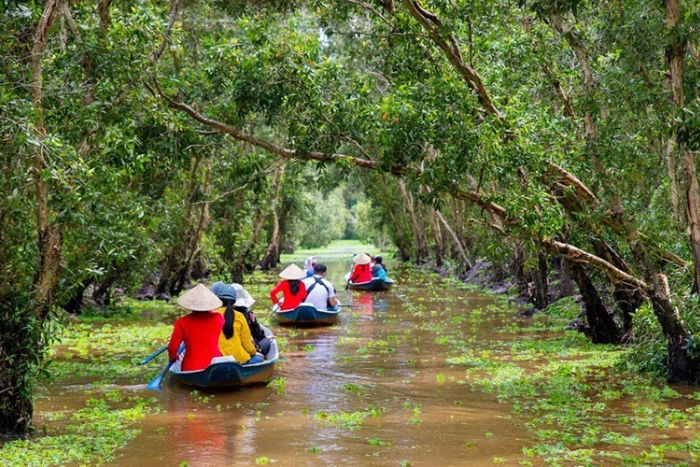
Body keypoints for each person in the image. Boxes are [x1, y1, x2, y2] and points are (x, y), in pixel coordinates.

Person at [167, 283, 224, 371]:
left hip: (192, 367)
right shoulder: (219, 318)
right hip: (216, 365)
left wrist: (173, 357)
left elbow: (172, 347)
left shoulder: (182, 322)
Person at [211, 282, 264, 365]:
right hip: (239, 360)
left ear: (218, 299)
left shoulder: (211, 316)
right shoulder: (240, 316)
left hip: (216, 360)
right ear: (234, 301)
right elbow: (247, 344)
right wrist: (254, 352)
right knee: (260, 358)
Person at [231, 282, 273, 356]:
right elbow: (256, 329)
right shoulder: (247, 313)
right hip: (247, 349)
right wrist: (264, 337)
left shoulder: (221, 314)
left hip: (230, 349)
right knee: (266, 342)